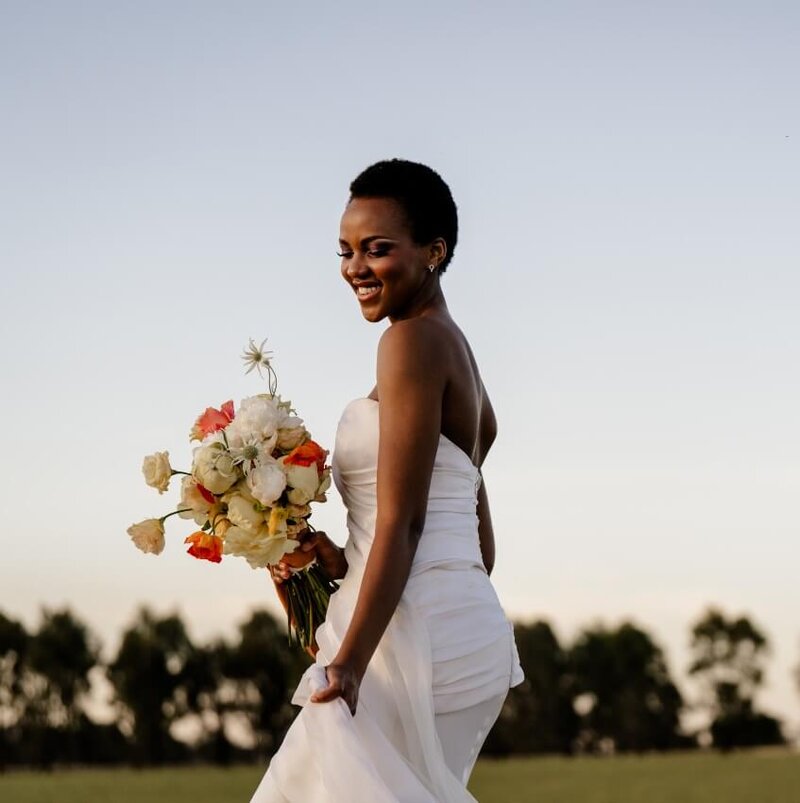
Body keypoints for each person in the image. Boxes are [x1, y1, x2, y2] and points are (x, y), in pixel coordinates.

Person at [250, 159, 524, 802]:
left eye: (377, 249)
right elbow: (477, 551)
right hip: (463, 633)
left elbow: (405, 524)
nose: (355, 267)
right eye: (345, 250)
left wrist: (348, 663)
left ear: (434, 252)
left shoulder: (408, 344)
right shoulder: (456, 353)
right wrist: (339, 559)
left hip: (413, 645)